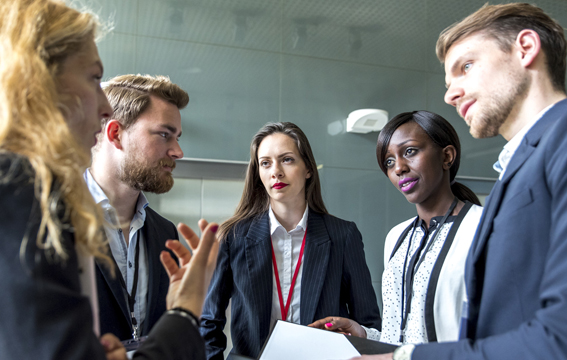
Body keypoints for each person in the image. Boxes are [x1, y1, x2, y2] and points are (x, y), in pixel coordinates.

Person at [0, 0, 218, 359]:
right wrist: (185, 311)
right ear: (37, 79)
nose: (104, 107)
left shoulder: (165, 233)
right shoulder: (26, 197)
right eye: (94, 78)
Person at [354, 3, 567, 360]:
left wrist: (403, 358)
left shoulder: (558, 144)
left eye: (466, 66)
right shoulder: (518, 169)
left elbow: (558, 337)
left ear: (525, 48)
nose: (450, 95)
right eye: (448, 82)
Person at [200, 122, 381, 359]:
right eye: (265, 163)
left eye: (287, 159)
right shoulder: (233, 236)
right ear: (259, 174)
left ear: (308, 169)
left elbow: (369, 324)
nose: (275, 171)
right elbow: (209, 321)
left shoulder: (342, 235)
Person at [311, 111, 482, 345]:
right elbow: (399, 337)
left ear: (447, 156)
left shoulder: (483, 227)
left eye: (410, 151)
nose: (399, 168)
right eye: (389, 161)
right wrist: (363, 334)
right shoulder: (397, 236)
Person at [87, 74, 188, 341]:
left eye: (177, 137)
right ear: (116, 134)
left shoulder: (166, 233)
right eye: (164, 135)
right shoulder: (47, 218)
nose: (178, 151)